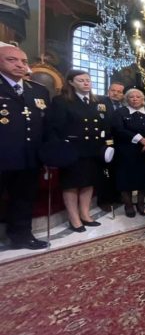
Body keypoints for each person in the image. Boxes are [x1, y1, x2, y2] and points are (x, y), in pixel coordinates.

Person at [46, 70, 113, 232]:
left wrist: (108, 145)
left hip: (94, 149)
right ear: (71, 82)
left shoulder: (100, 101)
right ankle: (74, 218)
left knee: (89, 183)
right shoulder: (61, 101)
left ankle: (85, 214)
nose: (86, 83)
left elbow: (106, 125)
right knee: (72, 184)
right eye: (81, 80)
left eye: (88, 80)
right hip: (72, 150)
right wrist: (58, 148)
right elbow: (55, 127)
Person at [0, 43, 49, 249]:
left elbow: (46, 125)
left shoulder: (38, 91)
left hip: (29, 157)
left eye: (24, 61)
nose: (20, 65)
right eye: (12, 60)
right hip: (2, 156)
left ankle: (22, 236)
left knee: (24, 198)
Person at [111, 88, 145, 218]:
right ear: (126, 99)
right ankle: (128, 205)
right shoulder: (120, 112)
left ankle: (141, 203)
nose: (135, 99)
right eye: (131, 97)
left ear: (143, 99)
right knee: (126, 179)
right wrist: (141, 140)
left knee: (143, 178)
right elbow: (118, 129)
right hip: (126, 151)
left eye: (138, 97)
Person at [96, 81, 126, 211]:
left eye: (119, 92)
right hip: (104, 142)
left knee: (118, 171)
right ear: (108, 91)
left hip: (120, 143)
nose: (116, 93)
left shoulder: (124, 106)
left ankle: (117, 196)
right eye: (113, 90)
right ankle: (104, 200)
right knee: (105, 172)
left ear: (123, 94)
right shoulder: (100, 103)